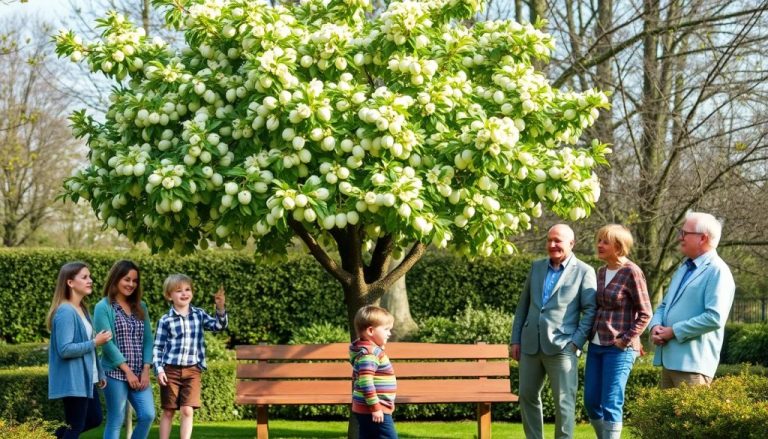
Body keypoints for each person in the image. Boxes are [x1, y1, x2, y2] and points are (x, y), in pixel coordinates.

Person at [510, 224, 597, 439]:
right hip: (530, 345)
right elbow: (523, 306)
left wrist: (576, 342)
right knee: (527, 396)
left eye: (557, 240)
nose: (552, 245)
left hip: (563, 347)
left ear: (571, 243)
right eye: (549, 240)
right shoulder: (536, 267)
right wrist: (515, 340)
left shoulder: (585, 271)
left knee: (564, 402)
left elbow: (591, 310)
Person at [649, 212, 735, 388]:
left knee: (689, 417)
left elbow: (714, 317)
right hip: (669, 361)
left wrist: (674, 331)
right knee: (664, 417)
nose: (680, 237)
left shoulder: (718, 271)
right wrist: (655, 327)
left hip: (693, 365)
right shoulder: (684, 268)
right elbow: (665, 305)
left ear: (703, 238)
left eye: (684, 233)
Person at [583, 225, 652, 439]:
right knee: (591, 402)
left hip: (619, 349)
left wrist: (625, 340)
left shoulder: (632, 271)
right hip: (596, 345)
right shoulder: (601, 272)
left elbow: (646, 313)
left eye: (605, 241)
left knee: (611, 402)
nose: (599, 245)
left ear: (619, 246)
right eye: (599, 240)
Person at [153, 274, 227, 439]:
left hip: (192, 370)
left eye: (187, 289)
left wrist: (220, 308)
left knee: (187, 410)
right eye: (178, 291)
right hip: (170, 371)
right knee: (168, 410)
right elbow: (158, 347)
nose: (184, 293)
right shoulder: (165, 320)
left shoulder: (198, 315)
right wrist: (159, 370)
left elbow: (218, 326)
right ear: (169, 296)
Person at [47, 261, 112, 439]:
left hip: (86, 379)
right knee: (76, 426)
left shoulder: (82, 309)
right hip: (73, 380)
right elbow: (65, 349)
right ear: (70, 282)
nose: (90, 280)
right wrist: (95, 342)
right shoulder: (66, 312)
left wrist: (99, 373)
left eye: (89, 276)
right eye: (84, 277)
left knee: (94, 418)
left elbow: (90, 346)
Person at [93, 260, 155, 439]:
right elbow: (107, 343)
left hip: (140, 373)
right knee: (116, 418)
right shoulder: (103, 307)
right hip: (115, 373)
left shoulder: (141, 307)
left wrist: (145, 370)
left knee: (147, 415)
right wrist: (127, 371)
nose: (131, 284)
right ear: (116, 279)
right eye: (127, 279)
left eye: (135, 281)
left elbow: (148, 340)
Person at [349, 305, 398, 439]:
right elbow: (365, 382)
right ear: (370, 330)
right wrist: (375, 408)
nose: (389, 333)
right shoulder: (369, 355)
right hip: (374, 409)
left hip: (367, 408)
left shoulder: (367, 351)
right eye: (386, 329)